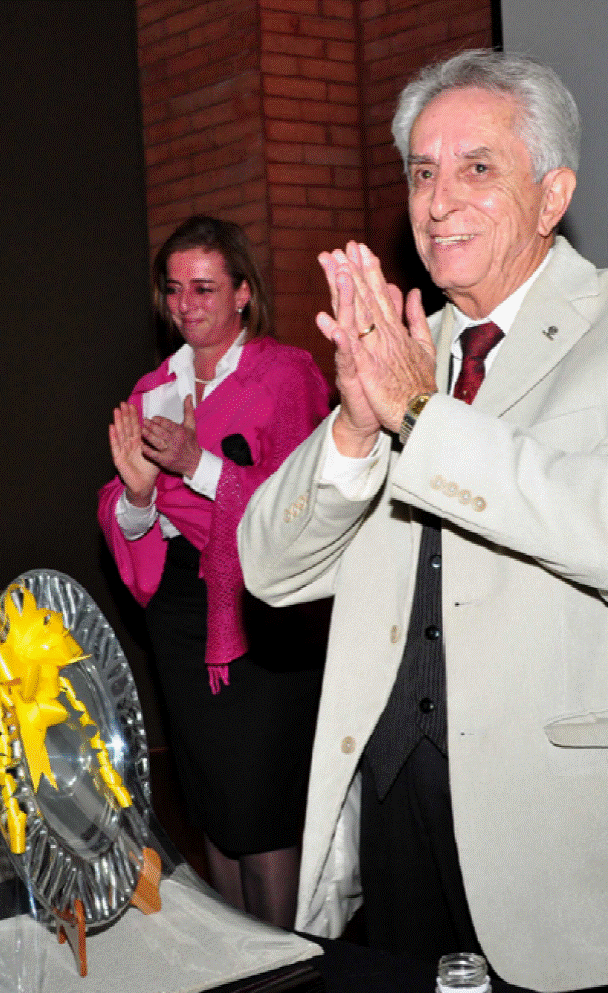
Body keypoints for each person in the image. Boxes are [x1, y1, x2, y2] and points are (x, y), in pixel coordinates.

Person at [238, 49, 607, 991]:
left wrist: (418, 414)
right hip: (395, 793)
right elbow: (267, 567)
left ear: (553, 195)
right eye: (421, 172)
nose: (439, 202)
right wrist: (356, 427)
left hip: (553, 817)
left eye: (477, 168)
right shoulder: (405, 351)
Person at [98, 216, 331, 929]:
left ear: (242, 293)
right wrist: (139, 493)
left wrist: (194, 463)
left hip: (260, 607)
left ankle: (284, 961)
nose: (185, 304)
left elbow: (304, 504)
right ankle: (240, 962)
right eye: (173, 289)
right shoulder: (153, 386)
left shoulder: (283, 374)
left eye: (203, 288)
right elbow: (128, 514)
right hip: (178, 609)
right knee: (212, 803)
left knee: (261, 807)